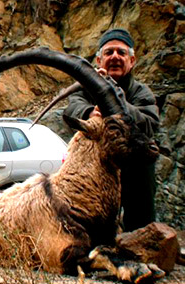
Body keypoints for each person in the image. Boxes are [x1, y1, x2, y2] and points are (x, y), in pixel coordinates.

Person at [63, 28, 160, 232]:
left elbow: (150, 123)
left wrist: (116, 104)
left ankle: (140, 235)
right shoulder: (86, 86)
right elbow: (72, 108)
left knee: (140, 217)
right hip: (95, 162)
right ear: (99, 61)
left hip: (132, 163)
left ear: (132, 61)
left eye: (121, 52)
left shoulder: (141, 92)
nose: (115, 57)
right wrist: (91, 112)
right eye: (108, 52)